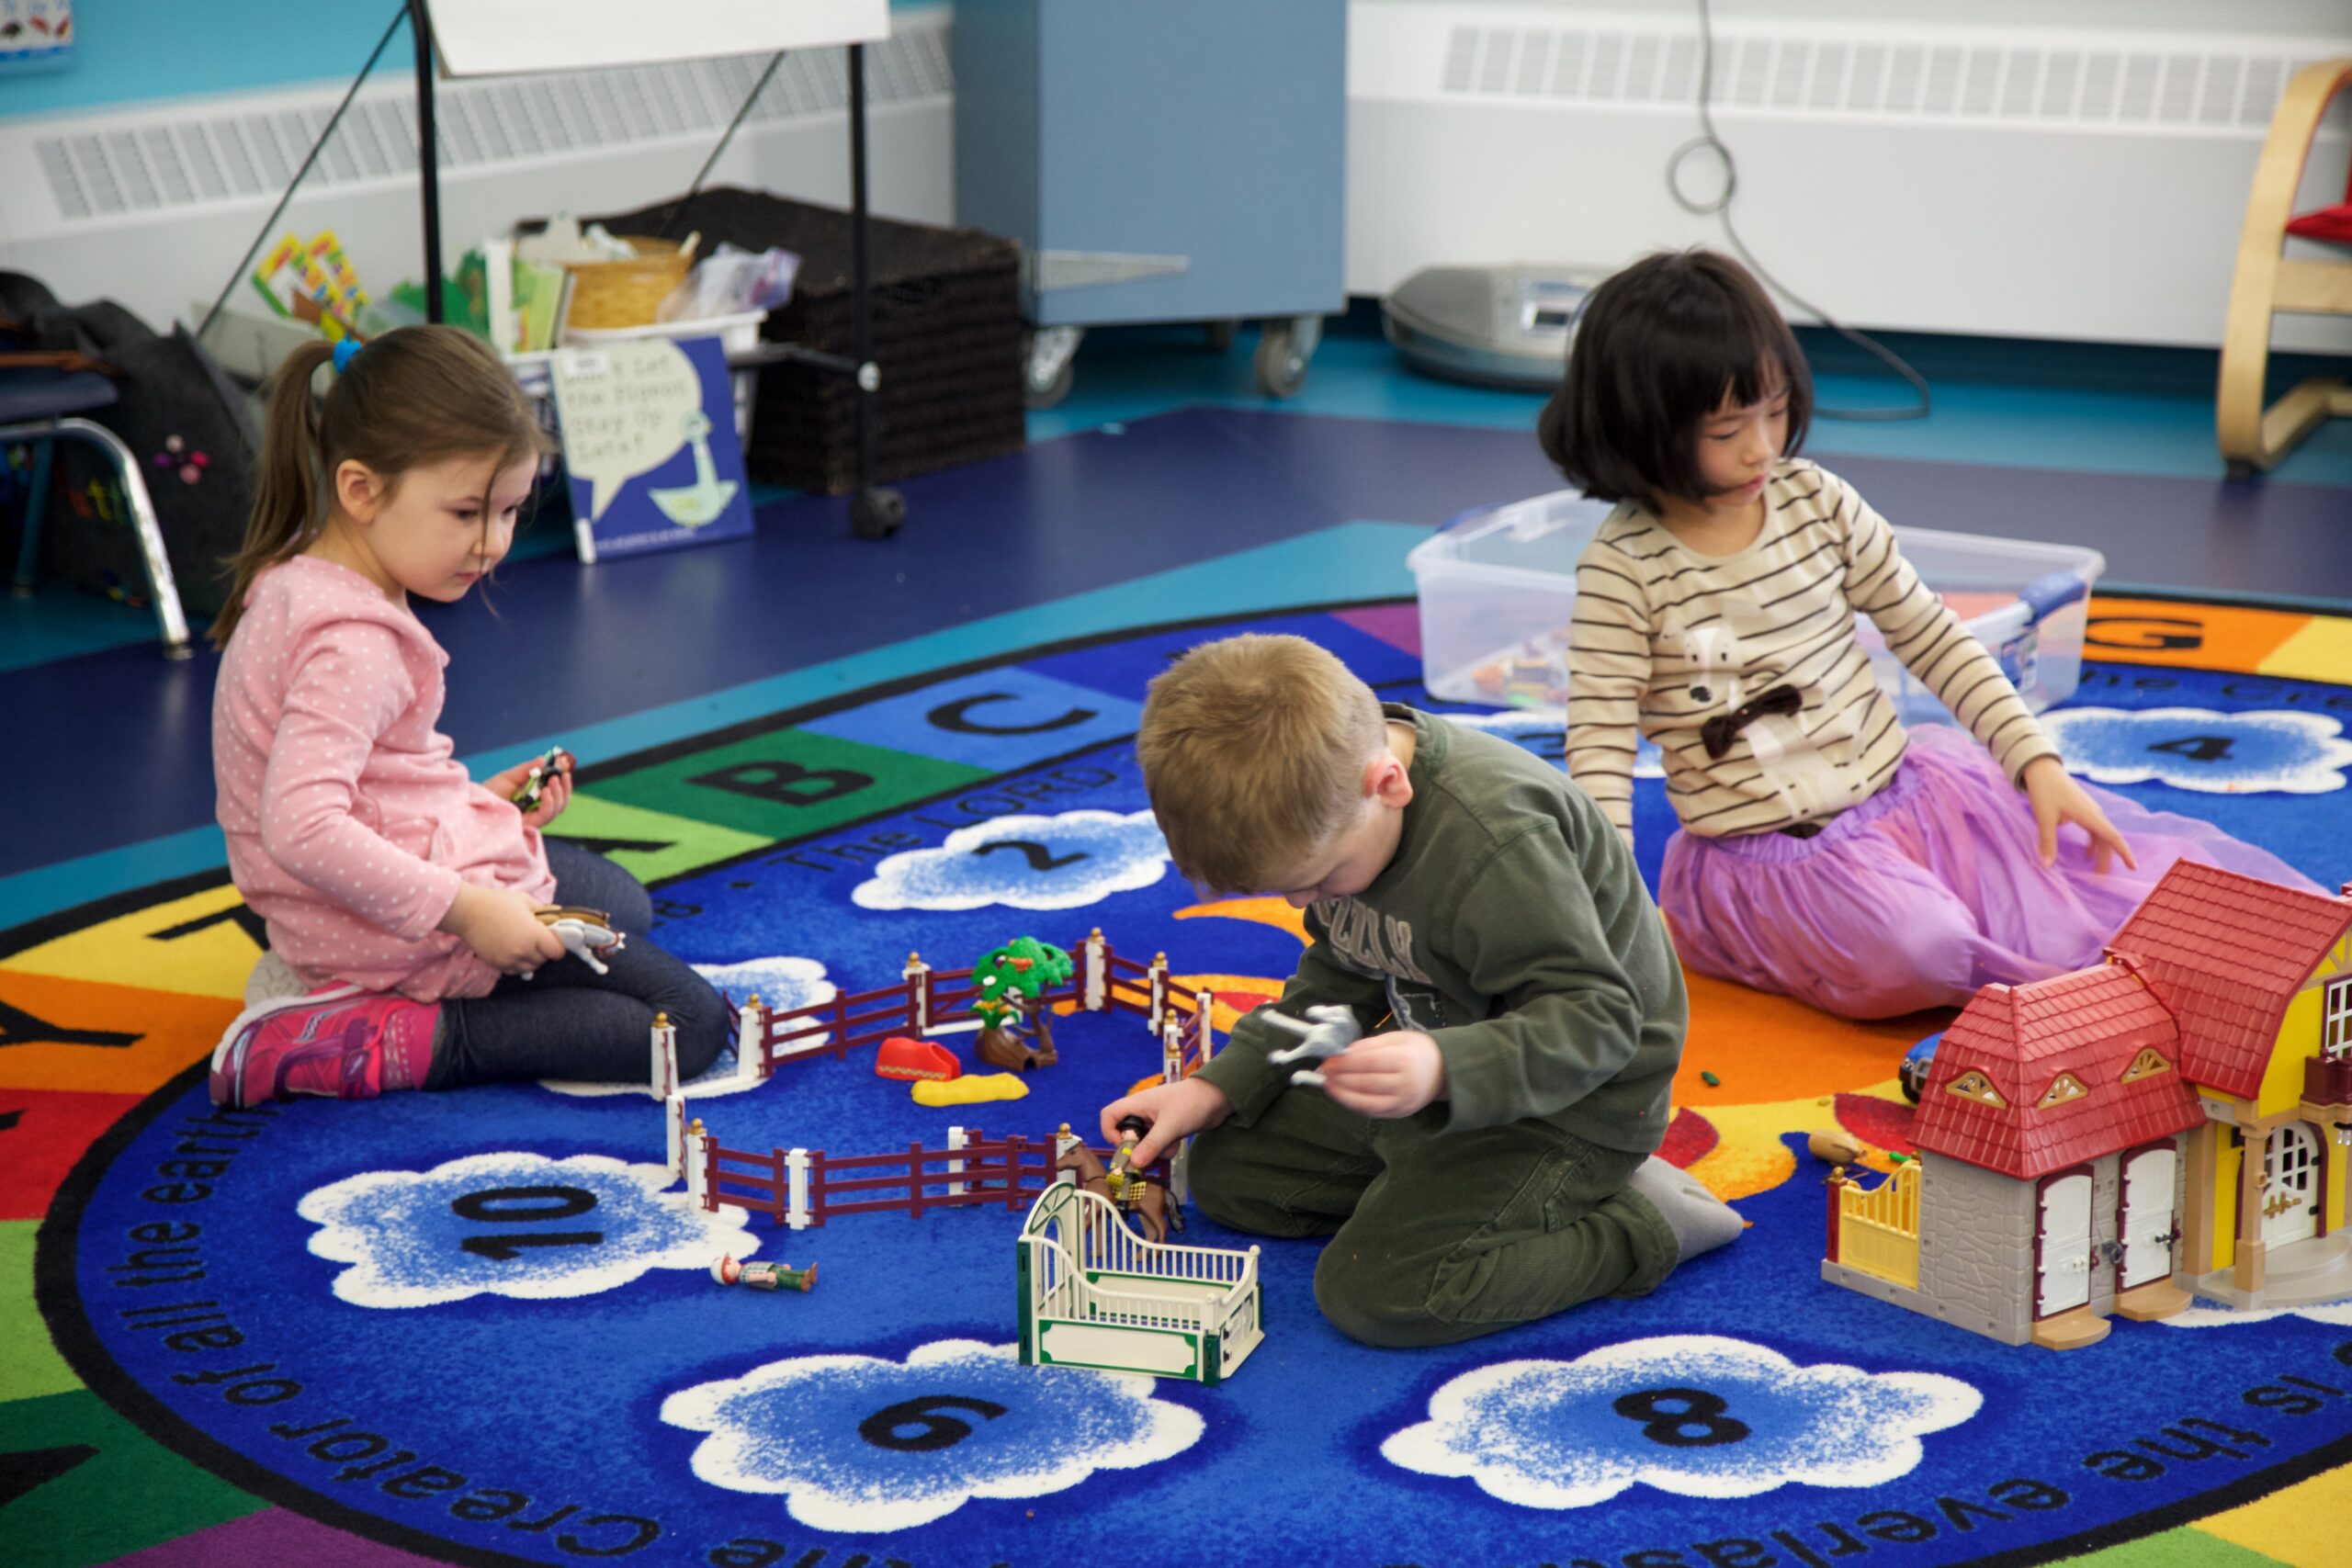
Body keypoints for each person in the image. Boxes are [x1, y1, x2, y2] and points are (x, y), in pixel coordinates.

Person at [1547, 250, 2323, 1020]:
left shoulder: (1816, 500)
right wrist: (1618, 907)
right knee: (1928, 952)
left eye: (1775, 412)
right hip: (1768, 861)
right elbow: (1602, 754)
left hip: (1916, 801)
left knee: (2084, 903)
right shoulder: (1625, 569)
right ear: (1642, 431)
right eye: (1727, 429)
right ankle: (1734, 938)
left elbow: (1933, 634)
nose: (1763, 447)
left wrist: (2035, 762)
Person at [1100, 635, 1739, 1349]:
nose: (1304, 900)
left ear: (1388, 785)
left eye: (1318, 878)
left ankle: (1640, 1222)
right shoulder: (1343, 813)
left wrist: (1443, 1068)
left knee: (1380, 1292)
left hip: (1573, 1099)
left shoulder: (1496, 841)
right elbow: (1340, 970)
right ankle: (1446, 1180)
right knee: (1229, 1175)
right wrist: (1218, 1086)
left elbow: (1601, 1021)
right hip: (1435, 1072)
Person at [207, 326, 728, 1107]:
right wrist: (469, 908)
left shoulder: (310, 575)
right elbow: (302, 826)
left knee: (624, 905)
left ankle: (381, 979)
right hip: (372, 928)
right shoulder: (353, 645)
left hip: (362, 894)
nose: (492, 543)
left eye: (511, 511)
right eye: (466, 513)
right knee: (688, 1025)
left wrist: (480, 801)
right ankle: (394, 1037)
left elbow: (371, 775)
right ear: (361, 488)